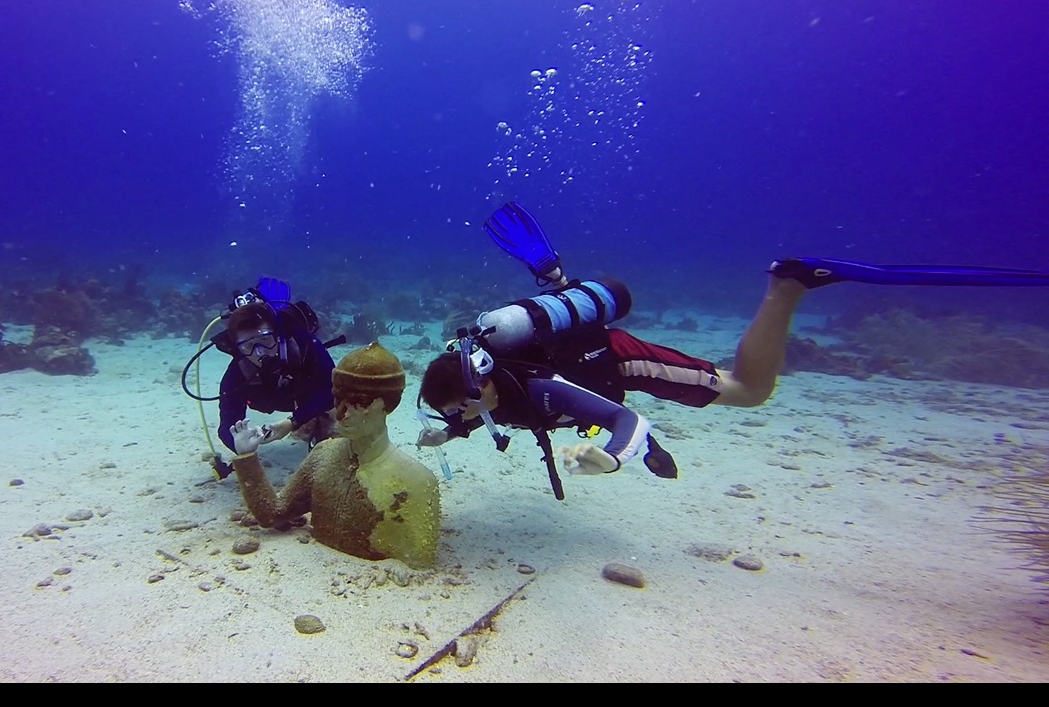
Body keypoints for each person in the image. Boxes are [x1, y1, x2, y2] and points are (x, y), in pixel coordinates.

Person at [414, 202, 835, 495]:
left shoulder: (540, 389)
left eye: (461, 408)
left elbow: (627, 419)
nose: (462, 415)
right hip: (569, 353)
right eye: (454, 412)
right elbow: (480, 410)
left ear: (481, 380)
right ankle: (558, 280)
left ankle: (785, 287)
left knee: (749, 390)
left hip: (617, 359)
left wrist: (613, 458)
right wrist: (448, 432)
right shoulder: (482, 390)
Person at [229, 341, 441, 570]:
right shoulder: (322, 455)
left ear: (388, 405)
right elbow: (272, 514)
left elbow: (420, 562)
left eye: (360, 402)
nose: (342, 413)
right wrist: (247, 457)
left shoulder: (418, 482)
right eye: (338, 399)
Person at [212, 280, 340, 480]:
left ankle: (317, 420)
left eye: (265, 340)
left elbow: (332, 388)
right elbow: (227, 424)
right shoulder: (237, 373)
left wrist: (293, 422)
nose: (259, 353)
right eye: (248, 346)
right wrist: (240, 447)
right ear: (237, 348)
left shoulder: (302, 344)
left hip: (305, 394)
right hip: (271, 400)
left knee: (338, 404)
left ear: (278, 336)